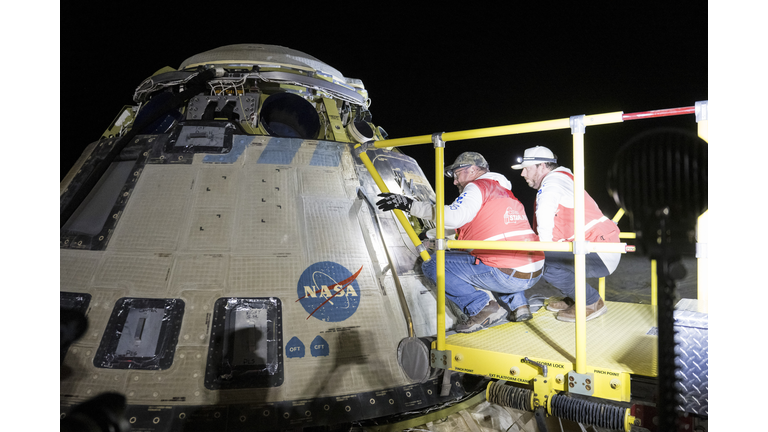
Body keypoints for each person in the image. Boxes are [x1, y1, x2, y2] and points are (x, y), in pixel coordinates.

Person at [376, 152, 544, 333]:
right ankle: (520, 307)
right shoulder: (503, 191)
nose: (455, 181)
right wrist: (430, 235)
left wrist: (410, 205)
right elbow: (463, 228)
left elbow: (455, 217)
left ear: (472, 170)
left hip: (507, 273)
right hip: (533, 269)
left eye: (457, 175)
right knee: (497, 256)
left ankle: (481, 308)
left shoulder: (477, 187)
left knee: (433, 264)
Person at [511, 146, 620, 322]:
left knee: (546, 263)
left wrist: (543, 249)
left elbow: (545, 211)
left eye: (526, 168)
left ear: (542, 166)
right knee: (550, 259)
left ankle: (591, 302)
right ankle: (575, 298)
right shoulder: (562, 179)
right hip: (596, 245)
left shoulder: (553, 182)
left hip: (598, 249)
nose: (523, 174)